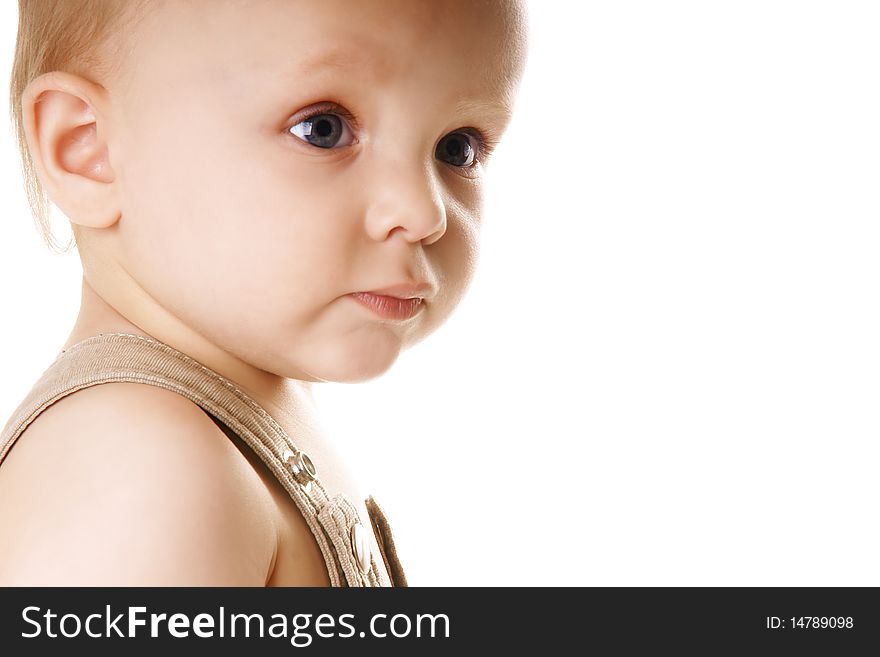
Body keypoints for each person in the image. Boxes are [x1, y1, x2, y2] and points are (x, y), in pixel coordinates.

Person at [0, 0, 529, 586]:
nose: (423, 212)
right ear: (88, 147)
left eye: (457, 147)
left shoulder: (233, 416)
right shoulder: (139, 462)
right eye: (322, 129)